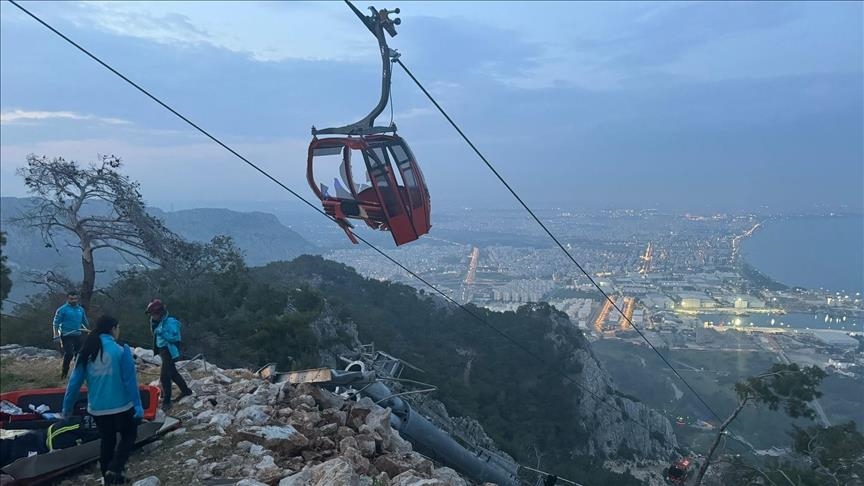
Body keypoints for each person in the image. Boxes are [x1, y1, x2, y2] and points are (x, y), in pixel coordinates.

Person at [62, 315, 143, 485]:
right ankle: (116, 468)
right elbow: (130, 381)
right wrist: (138, 405)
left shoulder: (86, 352)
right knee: (129, 436)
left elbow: (74, 383)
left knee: (107, 440)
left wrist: (67, 408)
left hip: (97, 408)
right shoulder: (121, 350)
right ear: (113, 329)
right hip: (122, 405)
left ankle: (109, 478)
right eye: (118, 328)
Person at [145, 299, 192, 411]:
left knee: (164, 376)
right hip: (162, 350)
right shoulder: (156, 322)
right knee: (173, 373)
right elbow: (155, 333)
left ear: (160, 313)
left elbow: (176, 338)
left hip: (169, 351)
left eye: (154, 314)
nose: (152, 316)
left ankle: (167, 401)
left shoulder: (171, 322)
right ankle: (186, 391)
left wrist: (163, 333)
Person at [53, 291, 90, 379]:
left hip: (78, 334)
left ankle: (78, 374)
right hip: (66, 335)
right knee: (69, 354)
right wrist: (55, 334)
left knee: (79, 354)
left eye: (75, 299)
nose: (73, 300)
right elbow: (56, 323)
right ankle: (64, 374)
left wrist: (89, 329)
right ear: (67, 299)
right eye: (71, 299)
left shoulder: (80, 309)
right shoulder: (62, 309)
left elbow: (84, 321)